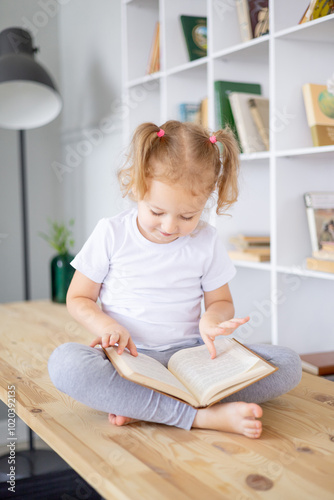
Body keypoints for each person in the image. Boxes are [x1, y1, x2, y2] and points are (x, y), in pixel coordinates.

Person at [48, 121, 302, 439]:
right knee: (66, 363)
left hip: (192, 357)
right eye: (156, 211)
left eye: (187, 216)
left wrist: (211, 321)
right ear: (137, 186)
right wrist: (106, 327)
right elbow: (79, 298)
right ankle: (199, 417)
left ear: (207, 200)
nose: (169, 226)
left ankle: (144, 406)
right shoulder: (111, 233)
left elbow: (221, 302)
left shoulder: (206, 240)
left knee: (287, 363)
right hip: (130, 359)